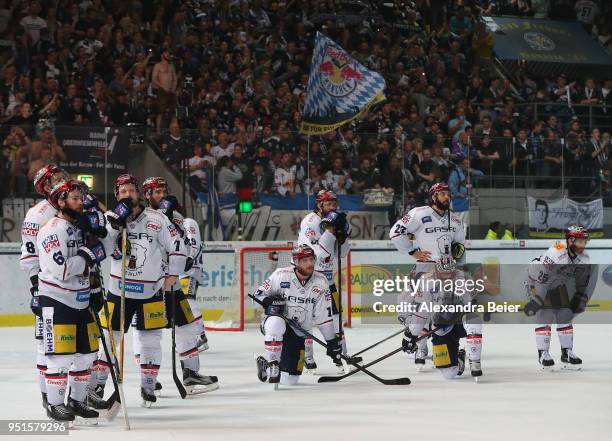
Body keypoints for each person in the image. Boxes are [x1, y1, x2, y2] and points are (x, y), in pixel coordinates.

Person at [91, 174, 188, 407]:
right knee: (109, 339)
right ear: (116, 196)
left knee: (151, 341)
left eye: (131, 191)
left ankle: (148, 386)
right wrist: (115, 225)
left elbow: (178, 245)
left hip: (150, 292)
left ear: (139, 193)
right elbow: (100, 249)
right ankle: (98, 385)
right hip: (118, 292)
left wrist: (173, 273)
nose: (127, 195)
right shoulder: (108, 219)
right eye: (122, 192)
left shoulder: (157, 219)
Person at [37, 180, 108, 422]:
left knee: (87, 354)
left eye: (81, 198)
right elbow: (63, 270)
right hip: (56, 300)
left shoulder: (79, 227)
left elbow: (102, 250)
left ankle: (77, 401)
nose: (80, 203)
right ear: (60, 201)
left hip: (82, 298)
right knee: (60, 356)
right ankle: (55, 404)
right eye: (75, 198)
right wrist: (89, 254)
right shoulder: (51, 229)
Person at [138, 177, 217, 395]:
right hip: (149, 286)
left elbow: (184, 247)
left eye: (163, 190)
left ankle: (190, 375)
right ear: (146, 195)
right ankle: (148, 381)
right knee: (147, 335)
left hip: (172, 284)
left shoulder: (178, 217)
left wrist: (170, 219)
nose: (161, 195)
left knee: (188, 326)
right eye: (156, 191)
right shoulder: (141, 217)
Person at [389, 182, 466, 367]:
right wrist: (412, 251)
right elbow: (396, 232)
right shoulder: (419, 213)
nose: (446, 197)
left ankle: (449, 349)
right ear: (433, 197)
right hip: (424, 268)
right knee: (409, 305)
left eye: (448, 193)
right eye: (442, 194)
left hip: (448, 271)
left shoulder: (455, 220)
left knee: (441, 312)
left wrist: (462, 269)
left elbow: (460, 249)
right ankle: (420, 346)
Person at [254, 245, 339, 385]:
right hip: (275, 325)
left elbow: (323, 318)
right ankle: (273, 363)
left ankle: (265, 365)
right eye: (305, 260)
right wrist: (267, 301)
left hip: (299, 332)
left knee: (290, 380)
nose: (310, 264)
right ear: (296, 262)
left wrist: (331, 341)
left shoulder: (321, 281)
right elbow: (257, 297)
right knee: (276, 322)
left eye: (311, 259)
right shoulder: (281, 275)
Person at [19, 164, 67, 411]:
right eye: (57, 178)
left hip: (73, 290)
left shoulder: (70, 206)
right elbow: (29, 256)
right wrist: (35, 288)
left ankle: (78, 394)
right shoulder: (38, 215)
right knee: (46, 343)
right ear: (46, 186)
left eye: (63, 176)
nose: (63, 180)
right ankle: (48, 397)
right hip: (47, 288)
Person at [297, 190, 355, 372]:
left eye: (334, 204)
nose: (332, 207)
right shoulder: (310, 222)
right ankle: (307, 356)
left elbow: (342, 253)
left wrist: (343, 238)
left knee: (337, 318)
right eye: (328, 204)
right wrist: (330, 232)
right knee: (305, 318)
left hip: (328, 279)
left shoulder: (335, 221)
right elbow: (318, 254)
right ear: (319, 205)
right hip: (308, 278)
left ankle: (342, 354)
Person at [523, 226, 594, 369]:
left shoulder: (584, 257)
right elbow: (543, 279)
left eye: (584, 242)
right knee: (546, 313)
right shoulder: (556, 252)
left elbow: (582, 280)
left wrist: (580, 296)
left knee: (565, 314)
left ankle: (566, 352)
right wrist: (538, 300)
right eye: (580, 242)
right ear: (570, 241)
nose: (583, 245)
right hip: (535, 281)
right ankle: (543, 353)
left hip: (556, 284)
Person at [402, 259, 483, 380]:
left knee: (473, 320)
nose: (446, 280)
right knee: (449, 374)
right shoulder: (427, 282)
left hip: (459, 323)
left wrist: (457, 311)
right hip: (441, 328)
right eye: (443, 276)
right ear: (436, 272)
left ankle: (475, 361)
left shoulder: (464, 279)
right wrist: (410, 336)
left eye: (450, 275)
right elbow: (422, 313)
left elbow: (469, 305)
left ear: (454, 272)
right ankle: (459, 358)